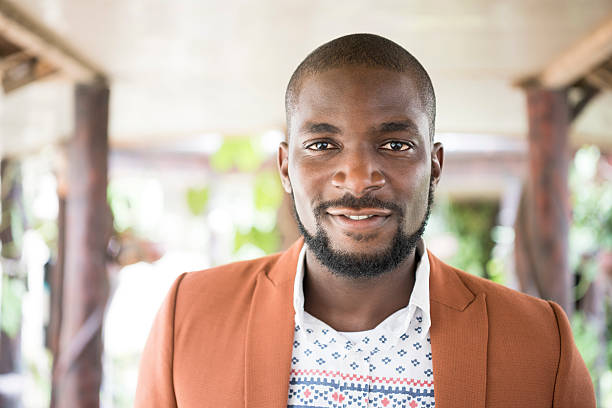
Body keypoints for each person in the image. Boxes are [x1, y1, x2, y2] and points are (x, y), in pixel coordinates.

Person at [135, 34, 595, 408]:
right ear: (285, 167)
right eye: (322, 145)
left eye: (395, 145)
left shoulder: (539, 344)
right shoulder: (190, 316)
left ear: (434, 166)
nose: (357, 178)